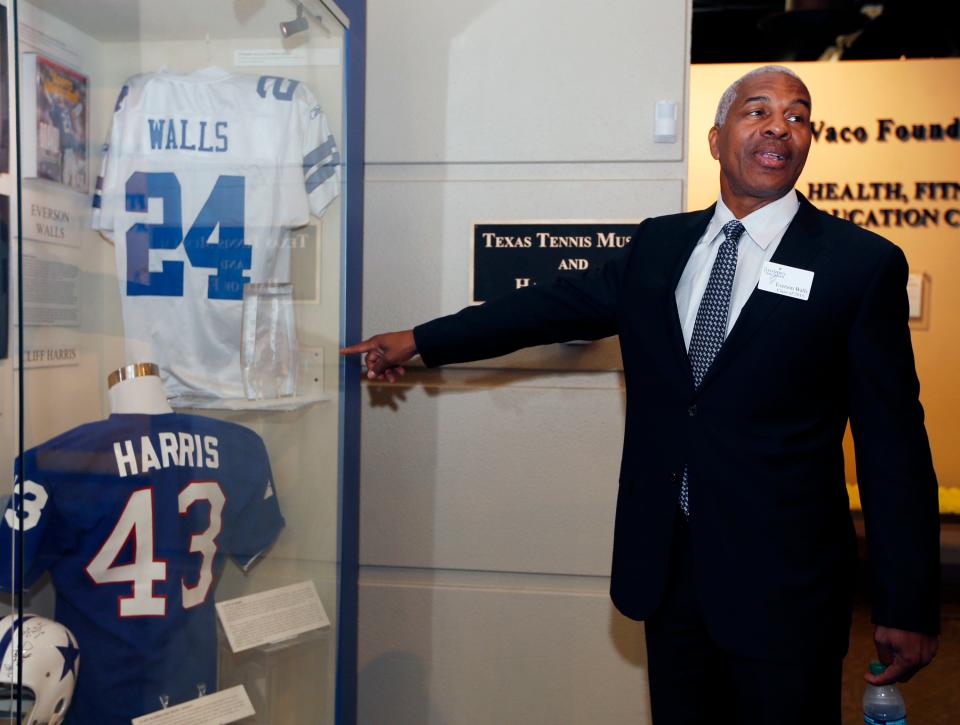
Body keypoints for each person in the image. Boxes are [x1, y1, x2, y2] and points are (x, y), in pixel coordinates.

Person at [342, 65, 940, 724]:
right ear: (716, 139)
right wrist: (420, 339)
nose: (780, 127)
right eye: (759, 110)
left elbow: (895, 450)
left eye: (798, 116)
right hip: (668, 574)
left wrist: (905, 603)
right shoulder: (660, 245)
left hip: (786, 590)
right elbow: (547, 309)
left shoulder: (859, 264)